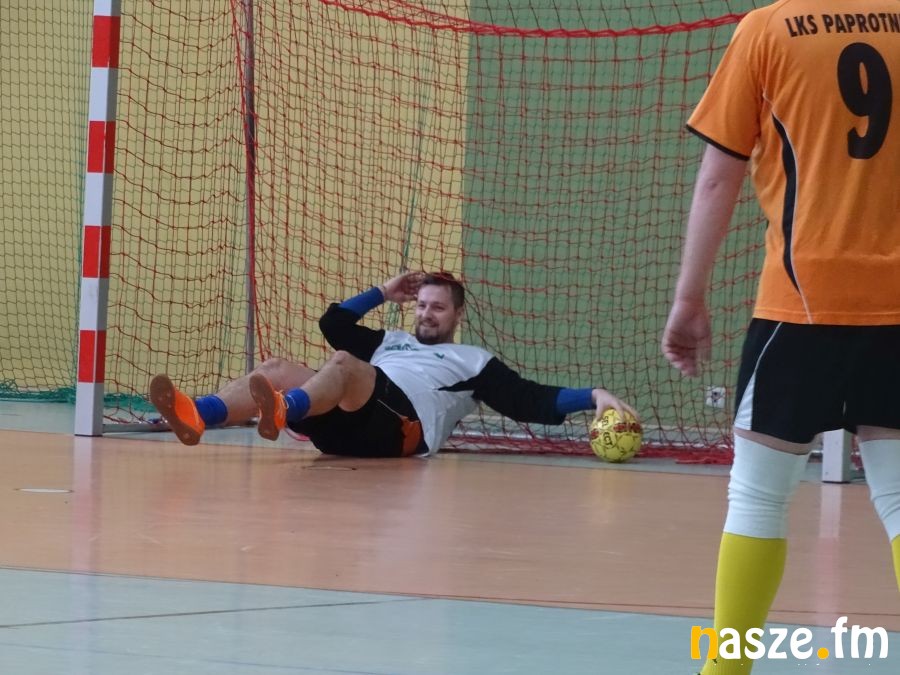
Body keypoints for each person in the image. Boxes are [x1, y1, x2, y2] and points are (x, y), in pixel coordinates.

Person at [662, 0, 899, 672]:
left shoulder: (767, 29)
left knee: (759, 497)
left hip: (800, 306)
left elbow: (719, 178)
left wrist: (689, 298)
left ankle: (727, 667)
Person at [151, 271, 637, 457]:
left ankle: (285, 409)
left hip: (402, 431)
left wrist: (593, 395)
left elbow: (529, 401)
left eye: (438, 307)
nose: (426, 313)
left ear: (457, 315)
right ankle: (198, 414)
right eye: (421, 305)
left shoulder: (472, 360)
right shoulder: (391, 340)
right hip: (345, 429)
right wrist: (383, 292)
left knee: (344, 364)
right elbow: (333, 322)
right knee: (276, 366)